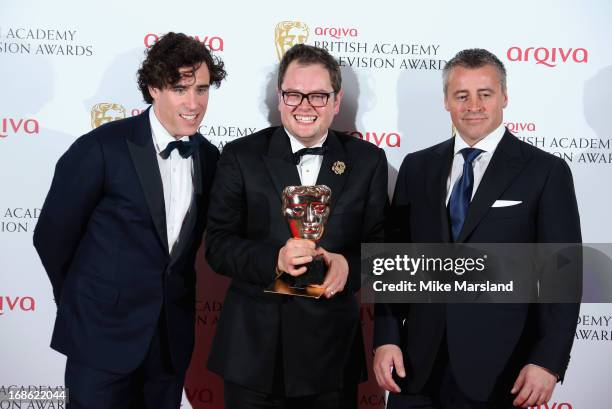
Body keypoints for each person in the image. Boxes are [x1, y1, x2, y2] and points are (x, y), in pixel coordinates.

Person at [373, 48, 581, 409]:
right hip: (416, 366)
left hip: (501, 369)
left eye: (485, 94)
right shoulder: (416, 167)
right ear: (446, 102)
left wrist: (547, 359)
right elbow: (394, 263)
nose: (474, 105)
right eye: (461, 95)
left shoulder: (545, 171)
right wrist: (387, 338)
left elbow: (563, 273)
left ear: (504, 97)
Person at [33, 32, 226, 409]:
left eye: (201, 89)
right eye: (180, 88)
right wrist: (83, 304)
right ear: (154, 87)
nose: (194, 103)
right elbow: (52, 237)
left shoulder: (209, 157)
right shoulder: (101, 148)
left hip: (170, 344)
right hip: (100, 339)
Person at [205, 43, 388, 408]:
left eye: (319, 96)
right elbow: (218, 246)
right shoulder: (240, 156)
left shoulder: (368, 161)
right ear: (279, 98)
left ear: (337, 102)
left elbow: (382, 248)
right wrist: (275, 260)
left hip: (331, 357)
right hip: (252, 358)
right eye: (293, 94)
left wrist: (349, 265)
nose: (305, 106)